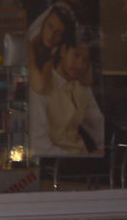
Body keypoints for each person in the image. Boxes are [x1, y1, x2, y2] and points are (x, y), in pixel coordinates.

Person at [29, 27, 105, 157]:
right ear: (63, 51)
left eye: (85, 60)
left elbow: (98, 128)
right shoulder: (41, 88)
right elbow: (40, 146)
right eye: (76, 55)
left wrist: (106, 151)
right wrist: (85, 159)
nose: (80, 65)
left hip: (82, 163)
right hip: (54, 166)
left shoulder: (82, 88)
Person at [27, 0, 83, 96]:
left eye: (59, 33)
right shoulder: (29, 45)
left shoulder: (59, 57)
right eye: (50, 26)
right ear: (43, 22)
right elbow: (39, 87)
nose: (51, 35)